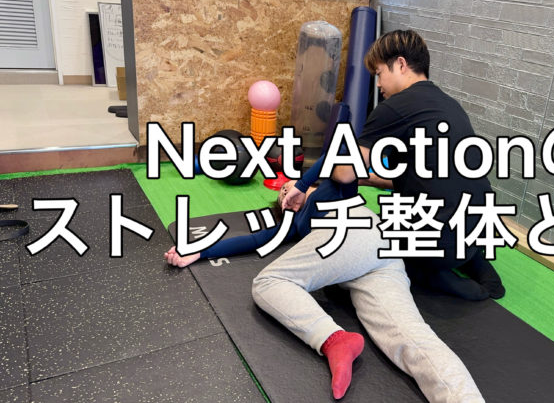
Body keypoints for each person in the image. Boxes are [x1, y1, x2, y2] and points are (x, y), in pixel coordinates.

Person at [164, 159, 485, 402]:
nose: (285, 192)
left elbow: (339, 151)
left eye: (287, 187)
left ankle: (334, 339)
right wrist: (200, 250)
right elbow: (254, 240)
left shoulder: (335, 187)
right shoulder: (293, 225)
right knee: (410, 339)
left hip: (358, 232)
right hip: (377, 260)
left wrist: (303, 182)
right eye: (281, 194)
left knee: (269, 282)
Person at [283, 30, 504, 302]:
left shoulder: (395, 107)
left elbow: (344, 173)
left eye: (379, 73)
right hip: (475, 228)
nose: (378, 84)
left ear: (400, 64)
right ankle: (474, 262)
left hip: (436, 242)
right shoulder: (450, 105)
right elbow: (423, 177)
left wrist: (312, 185)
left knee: (372, 243)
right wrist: (367, 179)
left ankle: (450, 281)